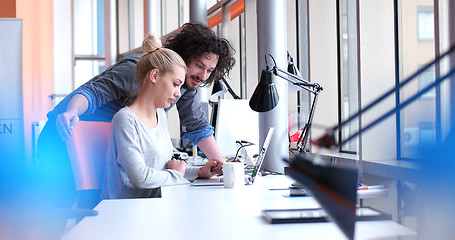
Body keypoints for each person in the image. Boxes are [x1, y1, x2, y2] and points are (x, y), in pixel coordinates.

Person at [36, 22, 235, 207]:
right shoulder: (136, 71)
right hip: (64, 133)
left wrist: (224, 169)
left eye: (210, 70)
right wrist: (72, 112)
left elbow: (197, 125)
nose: (203, 77)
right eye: (199, 66)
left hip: (101, 146)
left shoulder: (182, 87)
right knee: (60, 210)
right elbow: (93, 93)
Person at [102, 35, 220, 199]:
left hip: (156, 203)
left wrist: (199, 172)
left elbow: (164, 170)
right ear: (155, 76)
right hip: (129, 210)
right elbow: (141, 178)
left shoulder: (161, 115)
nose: (179, 93)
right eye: (175, 84)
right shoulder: (125, 119)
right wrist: (176, 174)